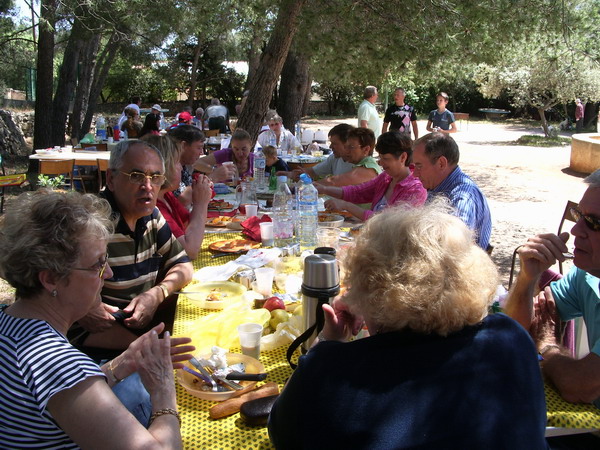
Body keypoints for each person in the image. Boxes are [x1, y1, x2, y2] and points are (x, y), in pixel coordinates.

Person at [268, 201, 548, 449]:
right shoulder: (511, 337)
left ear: (372, 288)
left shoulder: (334, 374)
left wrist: (327, 345)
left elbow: (282, 432)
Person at [0, 190, 194, 448]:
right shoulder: (58, 363)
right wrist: (164, 393)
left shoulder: (10, 325)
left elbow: (56, 395)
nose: (109, 274)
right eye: (98, 265)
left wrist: (121, 363)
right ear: (50, 279)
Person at [72, 140, 193, 351]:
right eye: (136, 176)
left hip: (142, 337)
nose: (148, 187)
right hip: (94, 348)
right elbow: (32, 274)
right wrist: (81, 307)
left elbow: (184, 265)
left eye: (155, 178)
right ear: (111, 179)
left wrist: (157, 294)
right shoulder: (90, 224)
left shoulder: (152, 216)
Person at [505, 169, 600, 408]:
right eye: (579, 214)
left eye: (593, 222)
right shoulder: (586, 276)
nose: (576, 230)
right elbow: (518, 327)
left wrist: (547, 346)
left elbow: (579, 386)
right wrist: (528, 278)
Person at [317, 131, 427, 221]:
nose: (380, 163)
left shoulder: (415, 189)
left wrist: (346, 205)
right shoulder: (386, 178)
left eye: (386, 159)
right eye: (380, 158)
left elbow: (386, 221)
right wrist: (323, 189)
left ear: (403, 157)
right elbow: (357, 192)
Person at [412, 132, 492, 250]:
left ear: (441, 163)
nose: (414, 174)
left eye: (419, 166)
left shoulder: (463, 196)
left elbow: (453, 249)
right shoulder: (437, 188)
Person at [145, 134, 212, 259]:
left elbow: (189, 225)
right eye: (177, 162)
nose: (181, 167)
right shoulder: (155, 207)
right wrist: (201, 203)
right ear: (164, 167)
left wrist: (200, 194)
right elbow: (189, 251)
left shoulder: (166, 196)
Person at [281, 124, 355, 182]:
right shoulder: (334, 158)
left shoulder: (359, 163)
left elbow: (335, 182)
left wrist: (316, 186)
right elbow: (314, 171)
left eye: (334, 143)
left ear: (347, 143)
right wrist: (292, 174)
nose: (330, 147)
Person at [313, 127, 382, 189]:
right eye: (346, 147)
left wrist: (309, 187)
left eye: (351, 147)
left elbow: (333, 181)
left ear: (366, 149)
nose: (347, 151)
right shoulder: (361, 164)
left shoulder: (369, 168)